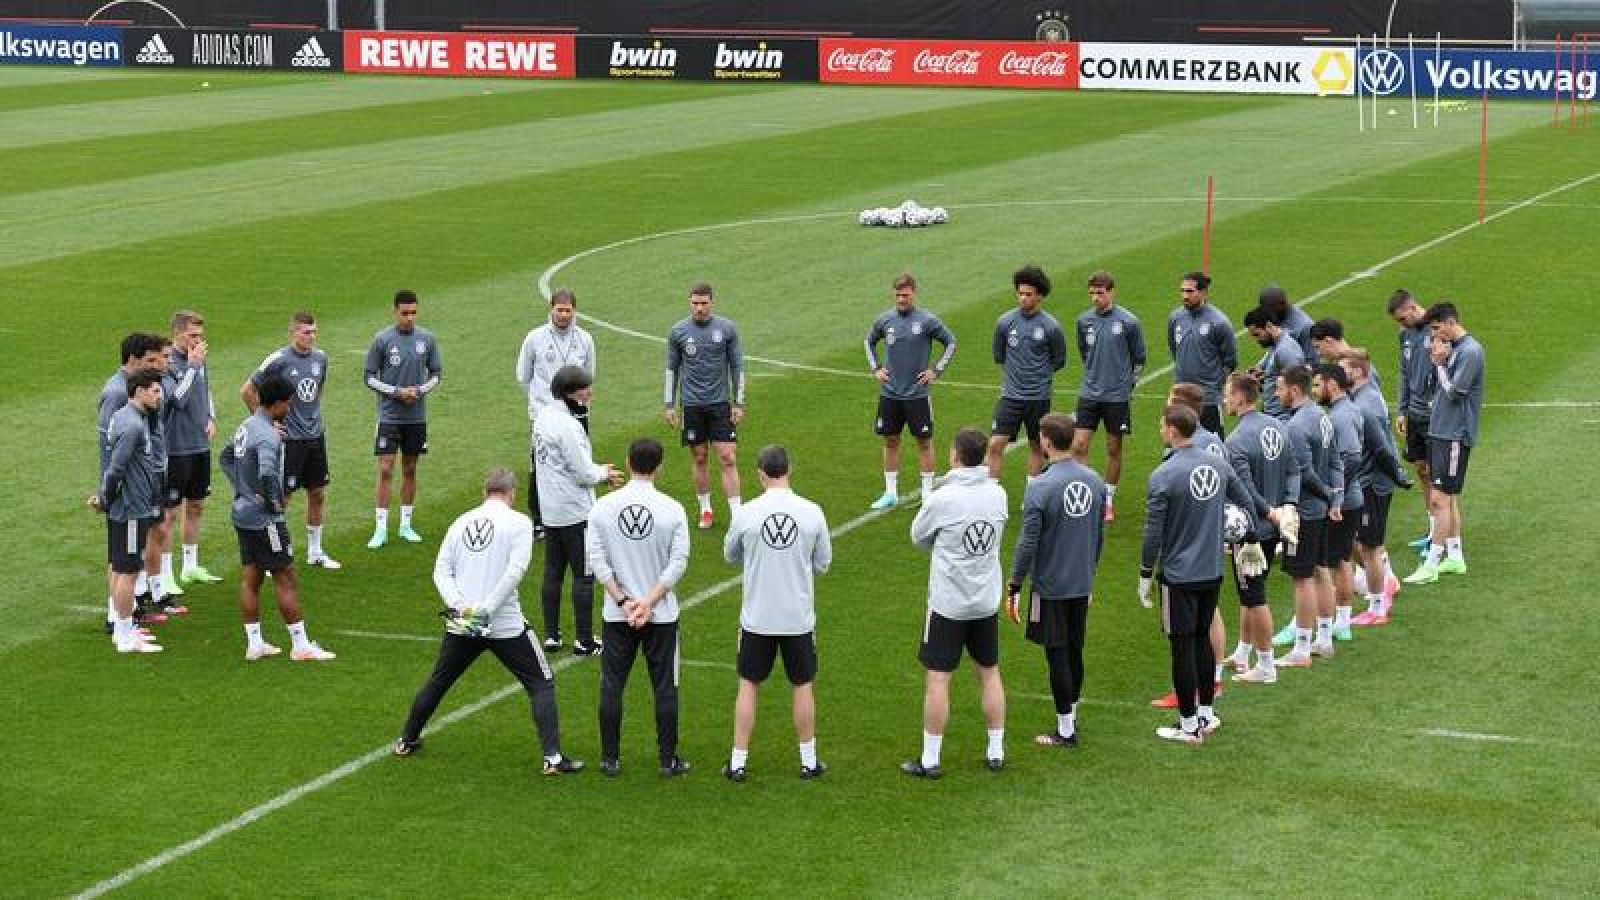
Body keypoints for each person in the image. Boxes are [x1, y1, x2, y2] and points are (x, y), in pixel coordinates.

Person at [393, 467, 584, 776]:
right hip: (504, 624)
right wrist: (487, 609)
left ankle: (406, 739)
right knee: (540, 682)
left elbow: (441, 571)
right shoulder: (520, 523)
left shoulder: (461, 522)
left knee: (439, 680)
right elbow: (515, 571)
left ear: (485, 492)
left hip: (463, 624)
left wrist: (460, 607)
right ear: (512, 494)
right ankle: (553, 757)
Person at [1138, 404, 1257, 744]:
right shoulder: (1218, 463)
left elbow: (1153, 534)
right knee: (1203, 639)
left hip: (1178, 575)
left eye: (1163, 425)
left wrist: (1146, 572)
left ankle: (1189, 726)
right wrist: (1248, 535)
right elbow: (1245, 500)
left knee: (1182, 647)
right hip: (1212, 570)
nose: (1161, 429)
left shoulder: (1164, 474)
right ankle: (1206, 712)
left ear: (1174, 431)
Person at [900, 428, 1008, 778]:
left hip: (949, 602)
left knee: (938, 679)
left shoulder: (944, 498)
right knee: (989, 674)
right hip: (986, 599)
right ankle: (996, 751)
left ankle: (930, 759)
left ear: (956, 456)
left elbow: (918, 536)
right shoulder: (998, 494)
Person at [721, 445, 832, 782]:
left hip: (757, 616)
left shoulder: (746, 514)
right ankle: (809, 761)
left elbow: (730, 555)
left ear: (760, 474)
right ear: (789, 469)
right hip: (797, 617)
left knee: (748, 685)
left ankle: (738, 762)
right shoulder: (812, 512)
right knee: (802, 684)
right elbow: (823, 564)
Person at [586, 438, 691, 777]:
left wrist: (623, 600)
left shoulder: (602, 507)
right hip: (661, 615)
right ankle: (666, 759)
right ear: (659, 467)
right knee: (665, 686)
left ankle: (610, 758)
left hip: (617, 614)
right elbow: (678, 562)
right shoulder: (672, 509)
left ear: (628, 462)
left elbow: (596, 560)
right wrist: (648, 602)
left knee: (612, 683)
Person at [219, 376, 336, 662]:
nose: (291, 407)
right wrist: (273, 501)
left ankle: (255, 643)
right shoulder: (267, 435)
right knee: (285, 576)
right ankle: (300, 645)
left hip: (242, 514)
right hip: (264, 520)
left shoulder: (246, 427)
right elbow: (268, 473)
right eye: (289, 402)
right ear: (278, 403)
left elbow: (225, 458)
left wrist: (243, 490)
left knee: (251, 576)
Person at [1007, 413, 1105, 748]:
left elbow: (1027, 542)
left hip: (1050, 585)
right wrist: (1090, 575)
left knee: (1057, 652)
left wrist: (1015, 584)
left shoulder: (1041, 486)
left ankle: (1065, 729)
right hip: (1081, 581)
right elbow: (1098, 535)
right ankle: (1071, 713)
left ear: (1047, 441)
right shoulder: (1095, 481)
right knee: (1075, 648)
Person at [242, 311, 340, 570]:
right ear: (293, 332)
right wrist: (266, 424)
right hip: (289, 442)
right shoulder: (278, 360)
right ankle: (271, 555)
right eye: (306, 332)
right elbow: (247, 390)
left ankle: (315, 551)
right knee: (281, 498)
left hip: (315, 437)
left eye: (314, 331)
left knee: (317, 493)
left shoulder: (321, 358)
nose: (311, 337)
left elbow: (316, 393)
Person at [535, 366, 622, 655]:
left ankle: (551, 636)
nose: (589, 393)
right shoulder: (568, 426)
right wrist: (604, 473)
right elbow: (583, 472)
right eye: (585, 388)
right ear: (570, 392)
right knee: (584, 574)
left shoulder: (543, 417)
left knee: (552, 571)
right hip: (575, 510)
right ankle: (584, 640)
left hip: (549, 508)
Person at [1219, 375, 1295, 684]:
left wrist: (1269, 514)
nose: (1224, 400)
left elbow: (1244, 491)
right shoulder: (1278, 426)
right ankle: (1242, 651)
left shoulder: (1236, 441)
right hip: (1277, 522)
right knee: (1248, 592)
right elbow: (1293, 469)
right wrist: (1286, 506)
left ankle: (1265, 665)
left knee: (1254, 595)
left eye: (1227, 394)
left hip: (1253, 530)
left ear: (1240, 397)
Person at [97, 333, 172, 634]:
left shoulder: (140, 402)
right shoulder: (118, 395)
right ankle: (119, 622)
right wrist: (107, 493)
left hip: (139, 485)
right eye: (150, 361)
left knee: (127, 559)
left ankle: (125, 615)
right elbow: (110, 448)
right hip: (127, 492)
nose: (157, 367)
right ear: (133, 361)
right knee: (123, 562)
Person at [864, 273, 956, 509]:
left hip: (917, 394)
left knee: (924, 443)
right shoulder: (885, 320)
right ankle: (890, 492)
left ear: (914, 293)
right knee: (890, 441)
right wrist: (875, 368)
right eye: (898, 295)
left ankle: (926, 493)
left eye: (905, 295)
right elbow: (869, 341)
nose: (901, 300)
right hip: (890, 394)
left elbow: (950, 342)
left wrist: (936, 370)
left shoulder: (927, 321)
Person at [1406, 302, 1484, 584]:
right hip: (1440, 431)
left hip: (1454, 434)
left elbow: (1454, 393)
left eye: (1437, 329)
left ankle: (1432, 563)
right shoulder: (1454, 349)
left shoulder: (1471, 352)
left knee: (1440, 499)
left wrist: (1439, 365)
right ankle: (1455, 557)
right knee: (1447, 499)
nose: (1435, 336)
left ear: (1451, 322)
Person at [1271, 365, 1341, 667]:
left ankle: (1301, 648)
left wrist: (1326, 493)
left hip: (1304, 512)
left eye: (1279, 388)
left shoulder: (1296, 426)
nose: (1275, 394)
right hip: (1322, 509)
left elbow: (1304, 472)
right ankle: (1323, 640)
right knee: (1320, 570)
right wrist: (1335, 495)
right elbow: (1336, 459)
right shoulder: (1322, 417)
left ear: (1294, 390)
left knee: (1302, 578)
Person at [364, 289, 442, 548]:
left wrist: (419, 391)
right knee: (386, 468)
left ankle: (406, 525)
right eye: (404, 313)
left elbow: (436, 374)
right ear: (395, 311)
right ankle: (381, 528)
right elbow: (369, 377)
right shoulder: (382, 340)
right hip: (389, 416)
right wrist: (396, 392)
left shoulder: (427, 339)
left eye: (413, 313)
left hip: (416, 417)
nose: (409, 318)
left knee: (410, 468)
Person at [1339, 350, 1412, 626]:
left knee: (1370, 546)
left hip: (1373, 483)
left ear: (1358, 372)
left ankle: (1378, 606)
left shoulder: (1365, 405)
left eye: (1343, 369)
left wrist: (1397, 475)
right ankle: (1380, 592)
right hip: (1372, 481)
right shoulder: (1365, 396)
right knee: (1367, 543)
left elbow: (1381, 447)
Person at [664, 283, 745, 529]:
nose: (699, 308)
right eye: (695, 303)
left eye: (704, 303)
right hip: (692, 405)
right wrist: (669, 404)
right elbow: (672, 369)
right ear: (689, 303)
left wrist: (739, 402)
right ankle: (706, 509)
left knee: (728, 457)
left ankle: (737, 513)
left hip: (720, 403)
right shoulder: (678, 332)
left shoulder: (727, 329)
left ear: (712, 302)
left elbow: (737, 366)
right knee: (699, 457)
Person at [516, 287, 596, 540]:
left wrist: (579, 402)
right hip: (543, 414)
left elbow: (589, 375)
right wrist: (541, 405)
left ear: (575, 311)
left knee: (579, 461)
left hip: (577, 413)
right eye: (559, 310)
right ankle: (539, 519)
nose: (563, 315)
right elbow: (523, 376)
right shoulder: (534, 338)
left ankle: (579, 512)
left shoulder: (584, 339)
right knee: (540, 463)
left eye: (567, 310)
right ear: (550, 309)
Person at [1069, 271, 1145, 523]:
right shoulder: (1083, 321)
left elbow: (1139, 358)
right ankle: (1087, 492)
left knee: (1113, 447)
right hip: (1089, 393)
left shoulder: (1128, 322)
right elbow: (1084, 352)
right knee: (1079, 444)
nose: (1095, 298)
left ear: (1111, 292)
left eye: (1100, 293)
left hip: (1117, 397)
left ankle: (1108, 499)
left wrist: (1128, 385)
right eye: (1091, 293)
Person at [988, 266, 1067, 481]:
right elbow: (999, 355)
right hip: (1010, 396)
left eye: (1028, 294)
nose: (1023, 298)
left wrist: (1037, 376)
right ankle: (991, 492)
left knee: (1037, 445)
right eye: (1020, 293)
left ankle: (1032, 492)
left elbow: (1059, 360)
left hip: (1038, 397)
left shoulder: (1051, 327)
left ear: (1039, 295)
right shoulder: (1005, 322)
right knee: (995, 444)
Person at [165, 310, 222, 584]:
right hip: (175, 446)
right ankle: (163, 575)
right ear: (177, 333)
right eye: (192, 335)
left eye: (200, 335)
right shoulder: (167, 362)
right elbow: (178, 399)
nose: (197, 340)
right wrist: (193, 366)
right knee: (169, 513)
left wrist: (211, 416)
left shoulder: (196, 357)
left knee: (197, 505)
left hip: (199, 443)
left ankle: (190, 566)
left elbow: (204, 389)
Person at [1315, 364, 1366, 645]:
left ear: (1331, 384)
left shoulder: (1342, 416)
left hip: (1343, 501)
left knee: (1335, 561)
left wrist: (1334, 496)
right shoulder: (1345, 410)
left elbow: (1351, 457)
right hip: (1348, 498)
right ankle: (1342, 622)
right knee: (1340, 559)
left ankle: (1340, 622)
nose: (1314, 391)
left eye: (1316, 385)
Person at [1389, 290, 1439, 554]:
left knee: (1438, 475)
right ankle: (1433, 528)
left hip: (1435, 415)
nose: (1401, 325)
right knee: (1422, 470)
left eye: (1402, 319)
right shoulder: (1404, 335)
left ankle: (1444, 536)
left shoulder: (1436, 329)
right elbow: (1404, 372)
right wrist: (1401, 410)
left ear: (1412, 308)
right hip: (1415, 415)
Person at [1167, 271, 1237, 436]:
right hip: (1180, 395)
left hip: (1208, 398)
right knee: (1176, 445)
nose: (1184, 296)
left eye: (1190, 291)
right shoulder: (1175, 318)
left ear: (1203, 293)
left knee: (1213, 446)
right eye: (1182, 291)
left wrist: (1214, 385)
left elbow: (1230, 361)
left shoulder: (1220, 323)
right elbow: (1174, 349)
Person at [1243, 306, 1305, 420]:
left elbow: (1298, 388)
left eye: (1257, 335)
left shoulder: (1286, 350)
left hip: (1283, 418)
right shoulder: (1275, 346)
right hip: (1273, 415)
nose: (1256, 340)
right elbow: (1273, 374)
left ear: (1269, 326)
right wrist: (1259, 376)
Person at [1258, 284, 1315, 361]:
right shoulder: (1277, 317)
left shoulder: (1305, 327)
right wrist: (1260, 366)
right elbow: (1274, 349)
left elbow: (1312, 361)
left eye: (1270, 310)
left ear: (1282, 305)